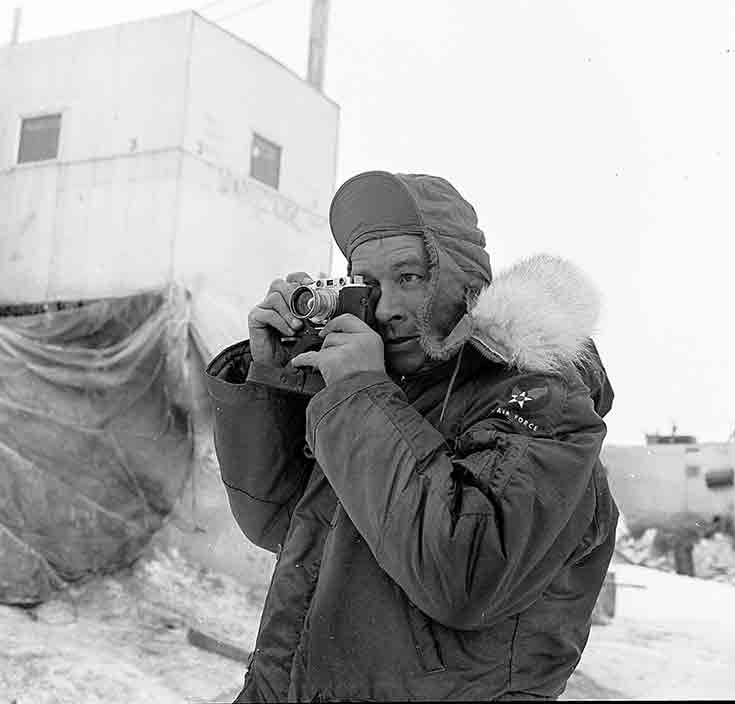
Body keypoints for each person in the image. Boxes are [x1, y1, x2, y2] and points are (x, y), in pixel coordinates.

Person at [205, 170, 618, 702]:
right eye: (368, 283)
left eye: (410, 277)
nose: (385, 307)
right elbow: (279, 524)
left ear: (462, 277)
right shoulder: (380, 393)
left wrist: (359, 394)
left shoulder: (540, 400)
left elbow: (464, 576)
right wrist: (274, 379)